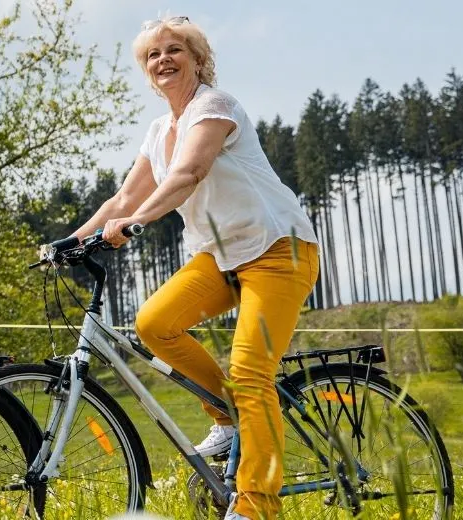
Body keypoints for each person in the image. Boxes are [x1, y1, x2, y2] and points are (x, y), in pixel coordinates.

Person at [68, 16, 320, 520]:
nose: (164, 60)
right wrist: (71, 241)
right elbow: (124, 196)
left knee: (251, 372)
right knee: (154, 324)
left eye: (174, 49)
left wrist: (136, 222)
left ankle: (255, 505)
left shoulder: (216, 107)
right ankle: (227, 415)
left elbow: (190, 172)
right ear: (147, 69)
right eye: (154, 55)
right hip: (221, 256)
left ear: (198, 59)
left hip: (277, 250)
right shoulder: (159, 130)